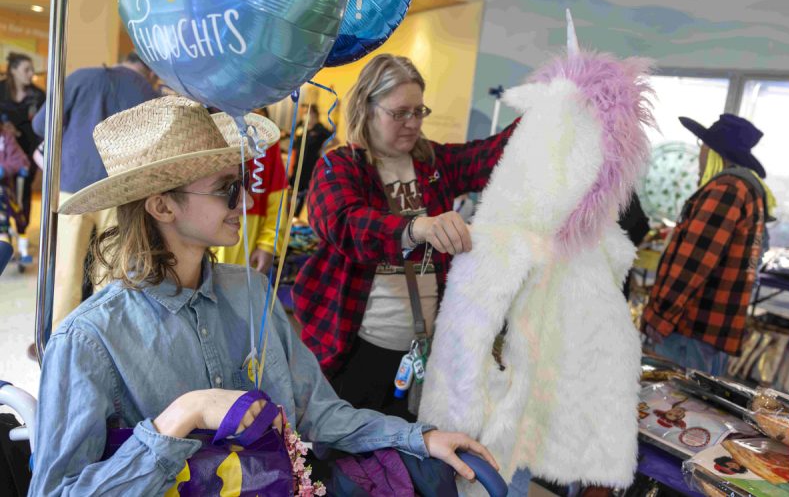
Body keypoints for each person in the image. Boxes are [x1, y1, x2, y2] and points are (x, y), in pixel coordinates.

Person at [29, 96, 498, 495]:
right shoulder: (90, 339)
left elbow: (320, 412)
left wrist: (419, 438)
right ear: (162, 205)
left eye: (244, 184)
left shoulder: (250, 293)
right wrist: (180, 417)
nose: (246, 203)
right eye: (228, 190)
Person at [292, 54, 518, 419]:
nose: (412, 123)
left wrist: (552, 107)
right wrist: (417, 227)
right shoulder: (341, 165)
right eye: (399, 113)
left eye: (419, 111)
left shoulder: (433, 164)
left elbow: (493, 155)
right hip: (354, 350)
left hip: (423, 354)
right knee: (340, 456)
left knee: (407, 457)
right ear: (367, 107)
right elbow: (345, 224)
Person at [32, 51, 159, 328]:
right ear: (149, 71)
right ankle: (103, 335)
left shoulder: (79, 78)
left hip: (71, 188)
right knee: (110, 273)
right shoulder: (146, 91)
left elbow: (40, 125)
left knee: (66, 270)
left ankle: (60, 337)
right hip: (120, 190)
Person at [642, 114, 774, 375]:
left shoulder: (727, 189)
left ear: (713, 152)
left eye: (702, 145)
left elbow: (692, 264)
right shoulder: (746, 190)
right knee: (693, 408)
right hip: (705, 331)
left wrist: (658, 316)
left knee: (670, 406)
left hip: (688, 330)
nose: (699, 153)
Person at [213, 109, 288, 273]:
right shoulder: (200, 135)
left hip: (248, 243)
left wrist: (268, 244)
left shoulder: (264, 141)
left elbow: (278, 198)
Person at [0, 52, 45, 261]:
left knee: (23, 194)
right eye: (26, 69)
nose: (31, 74)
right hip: (3, 151)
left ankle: (22, 231)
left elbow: (42, 127)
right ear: (13, 70)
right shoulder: (1, 91)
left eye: (32, 69)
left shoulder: (38, 95)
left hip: (26, 154)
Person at [290, 104, 331, 217]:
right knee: (292, 186)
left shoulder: (320, 129)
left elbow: (335, 139)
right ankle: (288, 213)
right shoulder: (301, 126)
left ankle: (295, 215)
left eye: (308, 113)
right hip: (297, 161)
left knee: (303, 188)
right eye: (304, 113)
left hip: (310, 163)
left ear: (314, 114)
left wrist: (323, 148)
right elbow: (295, 140)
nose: (305, 116)